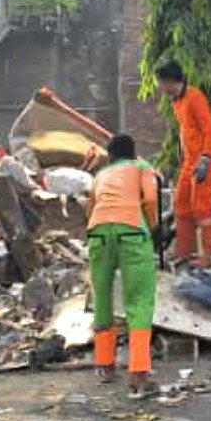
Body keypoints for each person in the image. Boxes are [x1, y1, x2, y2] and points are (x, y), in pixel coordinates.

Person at [86, 134, 160, 398]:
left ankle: (105, 365)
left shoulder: (101, 175)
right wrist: (151, 227)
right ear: (133, 152)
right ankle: (139, 373)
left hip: (97, 233)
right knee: (139, 300)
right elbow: (150, 200)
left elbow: (90, 205)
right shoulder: (141, 167)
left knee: (102, 296)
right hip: (131, 232)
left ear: (111, 155)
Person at [155, 61, 211, 269]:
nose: (159, 87)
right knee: (181, 203)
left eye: (160, 82)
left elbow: (208, 128)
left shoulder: (194, 97)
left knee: (202, 207)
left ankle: (209, 255)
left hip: (204, 159)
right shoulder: (176, 101)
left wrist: (207, 158)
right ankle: (185, 251)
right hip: (190, 160)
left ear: (170, 81)